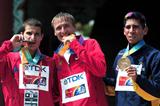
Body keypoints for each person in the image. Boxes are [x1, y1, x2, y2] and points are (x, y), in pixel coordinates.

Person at [51, 12, 108, 106]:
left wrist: (75, 45)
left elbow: (101, 70)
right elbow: (56, 92)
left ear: (74, 27)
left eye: (66, 26)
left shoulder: (90, 44)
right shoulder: (57, 57)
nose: (63, 30)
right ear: (54, 32)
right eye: (58, 28)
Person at [0, 18, 59, 106]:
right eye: (29, 33)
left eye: (37, 34)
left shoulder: (51, 62)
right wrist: (9, 44)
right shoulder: (9, 59)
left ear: (41, 37)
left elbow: (57, 93)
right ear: (21, 35)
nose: (33, 38)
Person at [110, 11, 160, 106]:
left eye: (135, 27)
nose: (131, 30)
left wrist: (138, 79)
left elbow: (158, 90)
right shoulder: (121, 55)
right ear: (124, 31)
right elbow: (114, 85)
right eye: (128, 27)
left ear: (145, 30)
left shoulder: (154, 55)